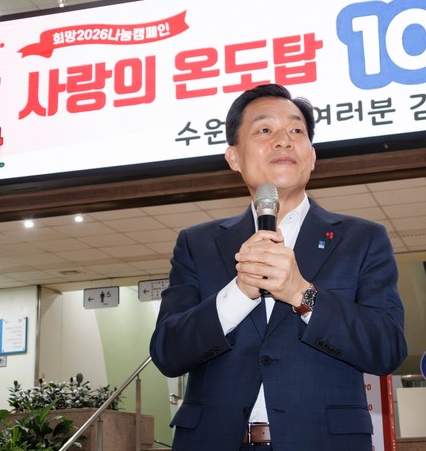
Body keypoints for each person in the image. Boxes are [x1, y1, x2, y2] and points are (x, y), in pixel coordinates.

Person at [150, 83, 407, 451]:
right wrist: (238, 293)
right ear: (234, 157)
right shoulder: (197, 243)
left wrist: (303, 295)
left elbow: (387, 349)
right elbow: (167, 353)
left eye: (296, 131)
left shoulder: (363, 238)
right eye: (265, 129)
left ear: (311, 157)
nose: (284, 140)